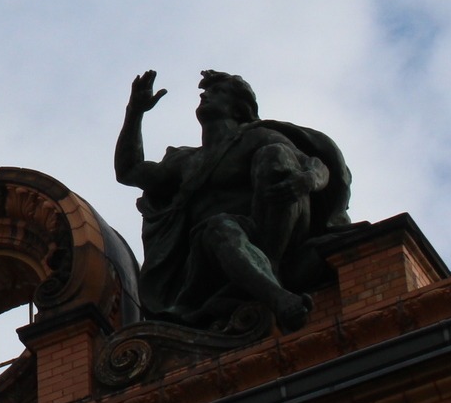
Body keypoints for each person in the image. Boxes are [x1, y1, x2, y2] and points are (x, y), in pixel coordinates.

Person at [114, 70, 351, 332]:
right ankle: (278, 297)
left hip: (273, 232)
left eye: (218, 92)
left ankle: (269, 264)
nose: (206, 95)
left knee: (275, 155)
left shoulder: (257, 137)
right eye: (206, 91)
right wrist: (135, 112)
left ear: (239, 108)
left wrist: (307, 181)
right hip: (213, 251)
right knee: (219, 226)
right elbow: (129, 171)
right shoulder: (185, 162)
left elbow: (316, 165)